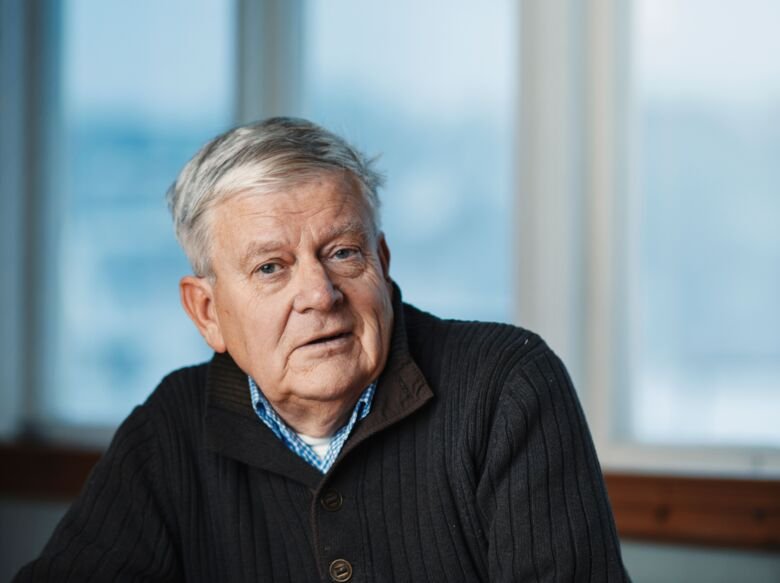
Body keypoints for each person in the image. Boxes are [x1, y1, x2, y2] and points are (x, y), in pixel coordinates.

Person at [16, 117, 629, 582]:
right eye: (270, 268)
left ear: (381, 263)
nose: (318, 293)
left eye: (342, 252)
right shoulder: (173, 427)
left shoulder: (507, 386)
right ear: (208, 312)